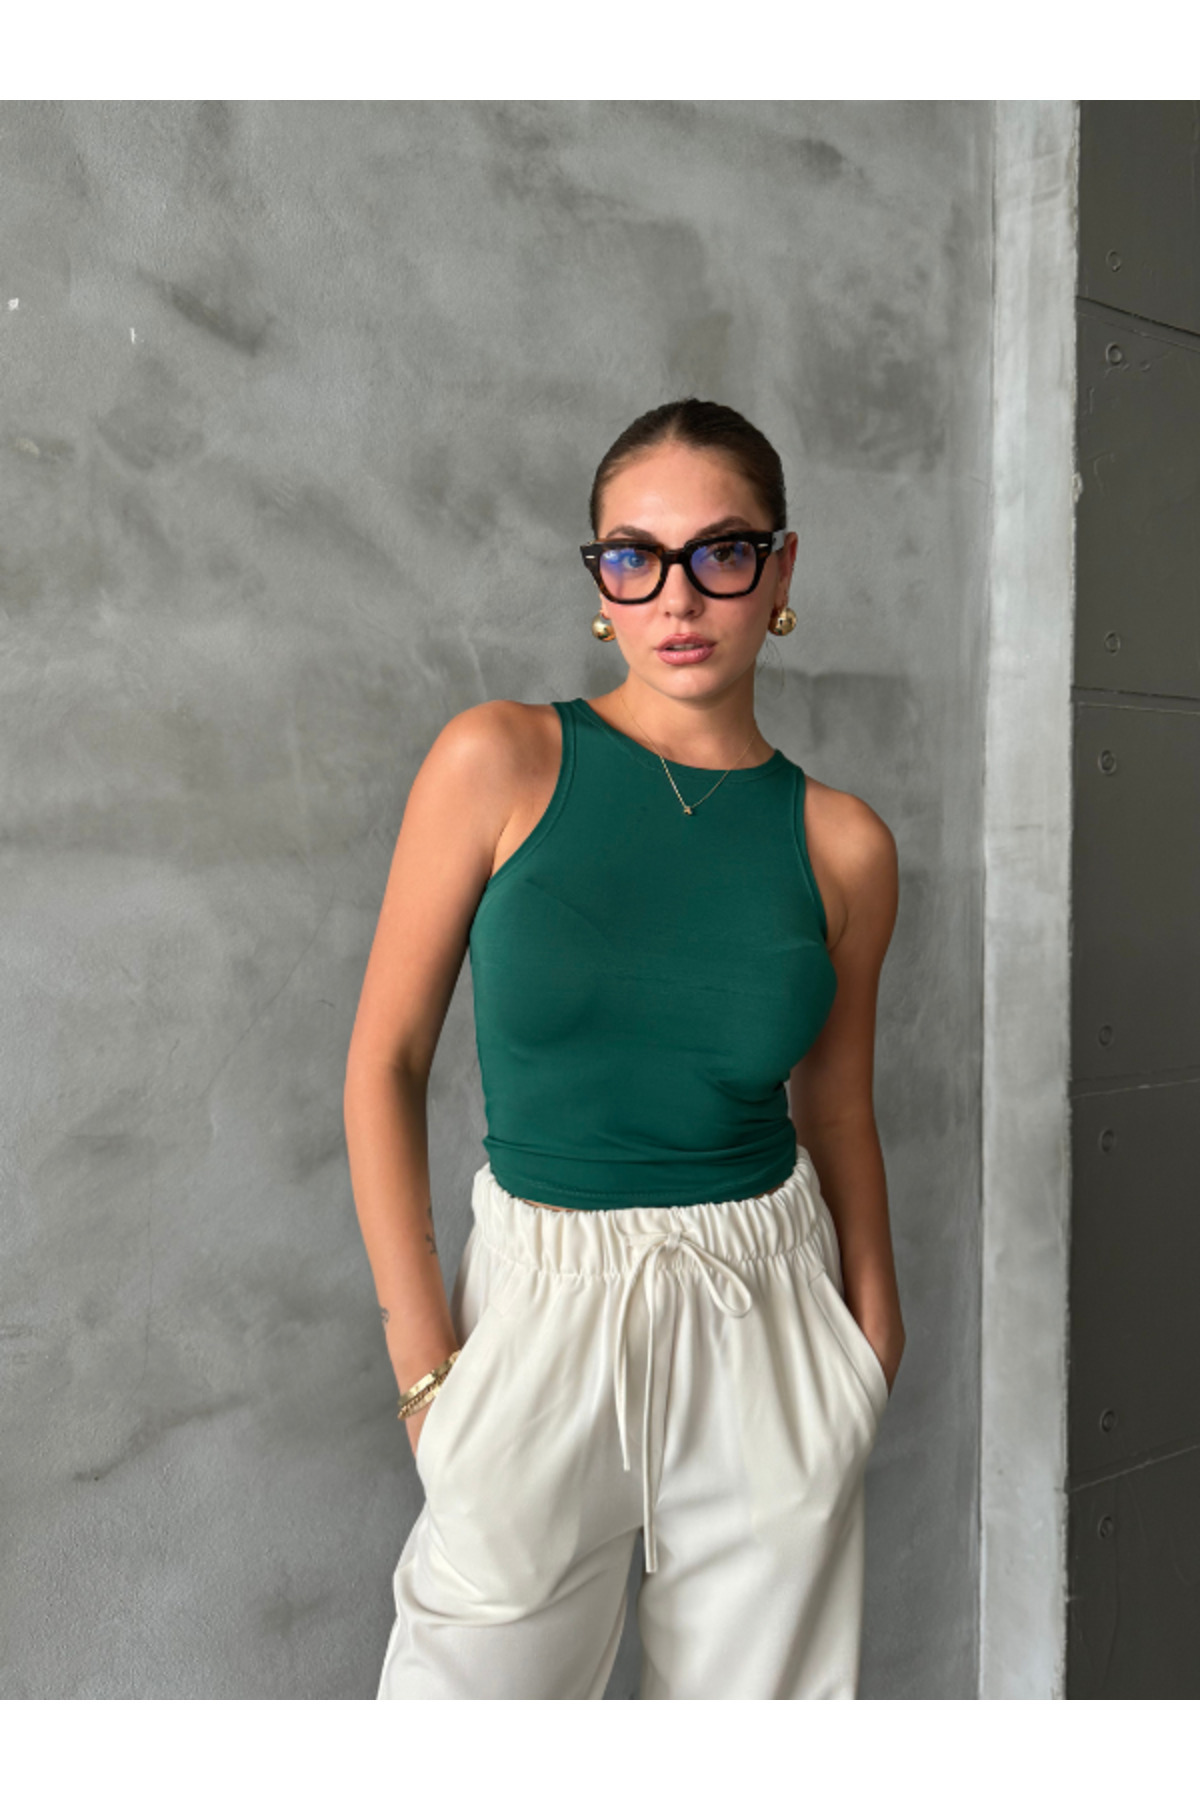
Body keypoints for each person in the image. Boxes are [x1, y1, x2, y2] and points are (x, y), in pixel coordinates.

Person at [343, 397, 904, 1700]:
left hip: (768, 1313)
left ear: (780, 571)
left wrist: (871, 1337)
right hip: (540, 1306)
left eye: (722, 552)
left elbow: (837, 1109)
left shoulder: (844, 845)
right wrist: (426, 1374)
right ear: (599, 579)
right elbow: (385, 1063)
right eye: (634, 557)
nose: (677, 597)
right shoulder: (499, 760)